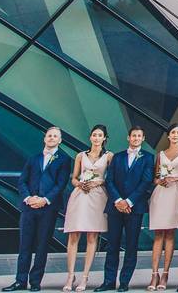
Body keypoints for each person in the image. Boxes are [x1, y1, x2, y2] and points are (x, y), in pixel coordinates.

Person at [1, 127, 71, 293]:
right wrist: (28, 198)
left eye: (55, 136)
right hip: (29, 207)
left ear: (60, 140)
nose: (52, 138)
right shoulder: (34, 158)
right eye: (49, 135)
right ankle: (20, 281)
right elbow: (22, 181)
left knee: (42, 246)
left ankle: (35, 281)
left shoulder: (65, 159)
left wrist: (44, 200)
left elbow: (60, 184)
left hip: (48, 208)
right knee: (24, 245)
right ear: (44, 138)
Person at [95, 126, 155, 293]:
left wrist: (128, 201)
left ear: (142, 139)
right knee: (112, 244)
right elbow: (110, 180)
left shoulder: (149, 158)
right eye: (133, 135)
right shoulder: (118, 156)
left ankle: (124, 281)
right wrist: (118, 200)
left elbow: (146, 181)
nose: (136, 138)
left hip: (134, 208)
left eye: (139, 136)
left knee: (131, 245)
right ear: (128, 138)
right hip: (115, 206)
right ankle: (108, 281)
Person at [63, 125, 113, 293]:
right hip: (80, 195)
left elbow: (111, 178)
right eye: (94, 135)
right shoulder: (80, 155)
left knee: (92, 236)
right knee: (73, 235)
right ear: (90, 137)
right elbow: (74, 178)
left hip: (98, 195)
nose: (96, 138)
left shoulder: (109, 156)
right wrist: (80, 184)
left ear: (105, 138)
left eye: (100, 135)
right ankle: (70, 275)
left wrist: (99, 182)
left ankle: (85, 276)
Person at [148, 124, 178, 291]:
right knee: (158, 233)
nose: (175, 135)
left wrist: (176, 179)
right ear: (168, 135)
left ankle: (165, 273)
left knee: (170, 233)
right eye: (172, 132)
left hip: (176, 194)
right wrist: (161, 180)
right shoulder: (160, 154)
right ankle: (154, 274)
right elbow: (155, 177)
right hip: (161, 193)